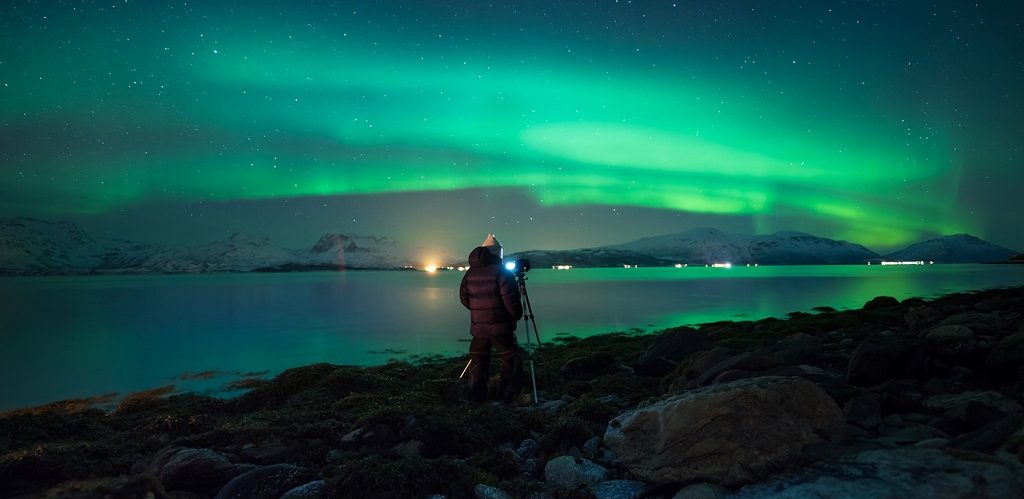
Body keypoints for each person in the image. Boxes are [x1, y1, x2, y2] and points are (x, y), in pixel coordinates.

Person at [459, 233, 525, 403]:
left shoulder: (470, 273)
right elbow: (511, 301)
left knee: (478, 360)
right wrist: (515, 315)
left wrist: (480, 312)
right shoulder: (502, 272)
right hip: (500, 328)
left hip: (479, 328)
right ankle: (508, 395)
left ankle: (476, 397)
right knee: (510, 359)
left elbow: (464, 299)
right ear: (497, 254)